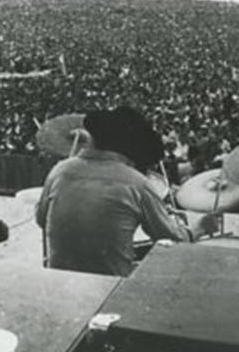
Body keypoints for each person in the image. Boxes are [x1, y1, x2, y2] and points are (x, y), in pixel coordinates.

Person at [36, 106, 210, 276]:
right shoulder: (136, 183)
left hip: (58, 282)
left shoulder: (59, 170)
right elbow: (173, 237)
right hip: (109, 287)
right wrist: (198, 228)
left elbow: (41, 218)